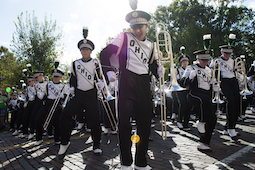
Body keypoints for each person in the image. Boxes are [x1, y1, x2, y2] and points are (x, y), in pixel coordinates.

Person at [100, 9, 163, 170]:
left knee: (144, 125)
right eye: (134, 27)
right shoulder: (124, 37)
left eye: (141, 26)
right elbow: (105, 54)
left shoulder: (152, 45)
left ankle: (140, 162)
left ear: (147, 26)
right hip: (126, 83)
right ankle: (126, 162)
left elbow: (152, 66)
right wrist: (108, 72)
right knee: (124, 125)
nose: (137, 30)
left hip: (143, 85)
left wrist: (158, 70)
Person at [58, 37, 104, 160]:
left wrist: (101, 84)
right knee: (66, 114)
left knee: (95, 120)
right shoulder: (75, 63)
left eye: (87, 49)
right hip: (79, 95)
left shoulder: (95, 62)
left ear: (91, 51)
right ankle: (64, 142)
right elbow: (73, 78)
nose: (84, 51)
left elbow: (100, 77)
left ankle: (96, 144)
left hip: (91, 95)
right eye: (82, 49)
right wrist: (72, 87)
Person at [180, 49, 217, 151]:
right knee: (202, 100)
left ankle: (204, 142)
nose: (205, 62)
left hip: (206, 94)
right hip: (194, 93)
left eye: (206, 60)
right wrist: (190, 78)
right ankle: (200, 121)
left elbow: (210, 83)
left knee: (213, 118)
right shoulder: (191, 68)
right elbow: (182, 83)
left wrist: (215, 86)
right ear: (198, 59)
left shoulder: (209, 70)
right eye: (203, 60)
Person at [209, 45, 240, 140]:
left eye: (229, 53)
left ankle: (228, 126)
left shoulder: (232, 61)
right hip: (224, 81)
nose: (228, 55)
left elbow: (235, 71)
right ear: (222, 52)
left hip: (233, 81)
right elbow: (212, 71)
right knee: (230, 100)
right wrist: (215, 84)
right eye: (226, 53)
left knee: (237, 102)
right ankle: (231, 128)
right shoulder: (217, 61)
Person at [34, 69, 66, 146]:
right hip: (48, 104)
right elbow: (45, 95)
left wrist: (63, 96)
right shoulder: (48, 85)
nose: (55, 78)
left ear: (61, 78)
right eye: (54, 76)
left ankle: (57, 139)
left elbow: (66, 97)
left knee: (57, 123)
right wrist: (40, 96)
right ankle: (39, 138)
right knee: (38, 119)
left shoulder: (63, 86)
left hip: (57, 105)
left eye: (57, 77)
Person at [27, 71, 48, 140]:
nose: (36, 79)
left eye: (37, 77)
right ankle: (33, 132)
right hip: (39, 102)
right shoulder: (35, 85)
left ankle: (46, 131)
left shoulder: (47, 84)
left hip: (46, 102)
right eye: (35, 78)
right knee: (33, 116)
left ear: (41, 76)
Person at [174, 53, 192, 130]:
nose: (185, 63)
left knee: (189, 105)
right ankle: (179, 120)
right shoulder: (178, 70)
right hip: (180, 89)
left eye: (186, 61)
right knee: (183, 104)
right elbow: (177, 80)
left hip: (188, 89)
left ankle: (186, 123)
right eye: (183, 62)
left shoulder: (191, 69)